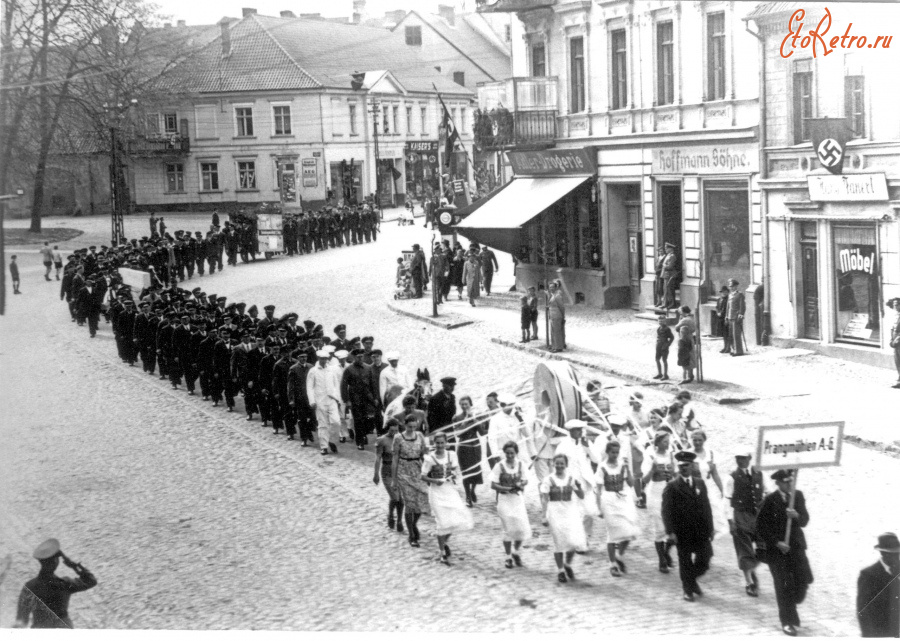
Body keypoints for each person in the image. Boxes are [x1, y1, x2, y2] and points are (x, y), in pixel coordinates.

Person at [755, 469, 813, 636]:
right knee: (783, 586)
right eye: (786, 482)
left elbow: (805, 520)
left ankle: (792, 604)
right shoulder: (770, 500)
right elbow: (760, 527)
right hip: (777, 553)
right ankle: (787, 622)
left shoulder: (798, 496)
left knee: (803, 582)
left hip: (796, 548)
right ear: (778, 483)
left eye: (791, 481)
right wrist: (776, 542)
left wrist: (796, 515)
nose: (790, 484)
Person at [662, 450, 714, 602]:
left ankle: (690, 580)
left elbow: (706, 506)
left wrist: (710, 528)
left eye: (686, 465)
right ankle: (688, 590)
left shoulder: (700, 483)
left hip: (700, 531)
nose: (683, 468)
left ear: (692, 466)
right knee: (685, 561)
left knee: (705, 559)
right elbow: (666, 510)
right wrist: (670, 532)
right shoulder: (672, 486)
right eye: (681, 466)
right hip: (682, 531)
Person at [14, 539, 97, 629]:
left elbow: (21, 620)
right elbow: (91, 580)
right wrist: (73, 565)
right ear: (55, 561)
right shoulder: (65, 584)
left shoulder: (29, 587)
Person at [421, 431, 473, 565]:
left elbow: (457, 470)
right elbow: (423, 476)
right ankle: (442, 553)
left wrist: (455, 474)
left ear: (446, 443)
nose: (439, 445)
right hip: (436, 492)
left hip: (449, 491)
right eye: (437, 443)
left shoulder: (452, 454)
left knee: (456, 519)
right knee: (442, 522)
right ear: (434, 443)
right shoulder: (430, 458)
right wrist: (434, 480)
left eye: (442, 443)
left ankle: (443, 542)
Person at [724, 450, 765, 597]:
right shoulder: (732, 478)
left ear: (750, 458)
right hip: (741, 516)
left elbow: (766, 492)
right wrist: (730, 521)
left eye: (743, 458)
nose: (740, 461)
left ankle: (751, 568)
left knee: (764, 549)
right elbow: (727, 500)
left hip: (758, 517)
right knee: (745, 550)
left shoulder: (758, 473)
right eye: (738, 458)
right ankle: (749, 582)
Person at [540, 453, 587, 583]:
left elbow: (582, 495)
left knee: (573, 542)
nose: (559, 465)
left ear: (566, 465)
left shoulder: (571, 479)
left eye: (562, 463)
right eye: (557, 463)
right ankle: (560, 570)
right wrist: (544, 516)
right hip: (555, 512)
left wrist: (579, 486)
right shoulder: (548, 480)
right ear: (553, 464)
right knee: (559, 542)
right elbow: (544, 499)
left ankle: (567, 564)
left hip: (570, 511)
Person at [597, 440, 640, 578]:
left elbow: (631, 483)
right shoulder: (602, 467)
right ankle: (612, 564)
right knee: (612, 534)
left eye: (617, 452)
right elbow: (598, 490)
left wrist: (628, 469)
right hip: (608, 500)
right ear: (607, 452)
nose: (615, 455)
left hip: (623, 499)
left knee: (630, 530)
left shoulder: (622, 465)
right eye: (612, 452)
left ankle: (619, 555)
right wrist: (599, 508)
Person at [490, 440, 532, 568]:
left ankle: (516, 551)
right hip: (504, 500)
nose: (509, 456)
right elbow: (493, 484)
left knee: (521, 528)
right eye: (507, 453)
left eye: (512, 453)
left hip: (517, 500)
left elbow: (526, 479)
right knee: (508, 529)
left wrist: (521, 484)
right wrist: (507, 489)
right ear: (504, 453)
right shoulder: (499, 466)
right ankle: (508, 557)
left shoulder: (521, 464)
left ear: (516, 453)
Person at [392, 414, 430, 547]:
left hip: (417, 470)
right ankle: (411, 535)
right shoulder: (398, 438)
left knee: (421, 501)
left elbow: (424, 454)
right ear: (405, 424)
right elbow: (395, 458)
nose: (412, 429)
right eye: (409, 427)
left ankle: (413, 524)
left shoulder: (420, 435)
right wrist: (394, 479)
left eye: (414, 426)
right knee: (409, 503)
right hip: (403, 472)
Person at [642, 431, 676, 573]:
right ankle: (661, 560)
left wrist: (674, 472)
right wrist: (652, 470)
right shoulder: (651, 457)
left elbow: (676, 475)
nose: (667, 444)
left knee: (673, 529)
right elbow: (644, 480)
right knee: (660, 529)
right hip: (655, 494)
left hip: (669, 493)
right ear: (657, 443)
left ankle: (666, 552)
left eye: (668, 441)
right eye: (664, 441)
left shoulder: (671, 456)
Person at [857, 532, 900, 637]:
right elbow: (863, 611)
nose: (896, 557)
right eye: (891, 553)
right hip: (880, 632)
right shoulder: (868, 575)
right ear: (882, 553)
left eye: (897, 553)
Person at [689, 431, 727, 539]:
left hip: (708, 486)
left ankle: (709, 534)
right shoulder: (689, 454)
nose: (697, 442)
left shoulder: (710, 453)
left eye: (700, 440)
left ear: (704, 440)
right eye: (694, 440)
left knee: (714, 509)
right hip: (694, 486)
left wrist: (722, 490)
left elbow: (715, 473)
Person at [453, 395, 486, 507]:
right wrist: (465, 423)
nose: (464, 406)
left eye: (466, 404)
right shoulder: (456, 418)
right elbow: (457, 434)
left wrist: (475, 420)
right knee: (466, 471)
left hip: (475, 446)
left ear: (470, 404)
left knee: (476, 470)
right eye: (462, 404)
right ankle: (467, 496)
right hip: (463, 446)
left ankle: (473, 490)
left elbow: (482, 433)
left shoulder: (477, 415)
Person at [307, 349, 341, 455]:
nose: (323, 361)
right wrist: (312, 401)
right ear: (318, 358)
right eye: (321, 359)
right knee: (322, 424)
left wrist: (338, 398)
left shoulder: (331, 370)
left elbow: (336, 385)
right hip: (320, 401)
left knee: (336, 422)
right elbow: (309, 387)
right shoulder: (313, 371)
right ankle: (324, 446)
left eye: (325, 359)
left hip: (331, 399)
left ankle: (331, 440)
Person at [373, 418, 404, 533]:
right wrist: (376, 474)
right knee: (395, 497)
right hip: (387, 471)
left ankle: (399, 520)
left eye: (396, 430)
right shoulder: (382, 440)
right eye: (392, 430)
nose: (394, 433)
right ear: (388, 429)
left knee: (400, 499)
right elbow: (378, 458)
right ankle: (391, 515)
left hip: (399, 471)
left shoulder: (401, 439)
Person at [726, 278, 746, 356]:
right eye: (730, 286)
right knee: (731, 335)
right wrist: (726, 316)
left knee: (736, 334)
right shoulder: (730, 295)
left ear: (736, 286)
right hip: (730, 316)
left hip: (736, 317)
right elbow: (728, 307)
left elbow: (742, 306)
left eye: (733, 286)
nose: (731, 288)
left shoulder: (739, 294)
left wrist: (740, 316)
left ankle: (738, 351)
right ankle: (733, 349)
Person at [652, 315, 674, 380]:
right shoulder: (658, 328)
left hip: (664, 345)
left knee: (664, 360)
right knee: (657, 359)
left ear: (665, 321)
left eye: (662, 321)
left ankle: (665, 375)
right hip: (658, 345)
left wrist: (667, 345)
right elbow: (658, 337)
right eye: (659, 321)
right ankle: (659, 374)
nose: (660, 322)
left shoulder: (667, 329)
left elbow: (672, 337)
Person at [548, 279, 565, 352]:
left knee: (557, 331)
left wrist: (562, 316)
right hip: (552, 316)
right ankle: (554, 346)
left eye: (552, 287)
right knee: (553, 331)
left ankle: (558, 347)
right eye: (550, 287)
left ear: (555, 288)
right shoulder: (553, 295)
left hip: (557, 315)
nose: (551, 288)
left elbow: (561, 307)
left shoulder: (557, 296)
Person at [661, 242, 679, 309]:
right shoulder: (668, 255)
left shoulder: (672, 256)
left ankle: (672, 304)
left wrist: (664, 265)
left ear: (670, 249)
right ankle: (665, 303)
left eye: (666, 248)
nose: (665, 249)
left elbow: (670, 266)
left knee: (670, 290)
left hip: (670, 275)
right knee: (665, 289)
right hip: (666, 275)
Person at [888, 298, 900, 389]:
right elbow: (892, 328)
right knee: (897, 360)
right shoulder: (895, 315)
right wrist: (891, 339)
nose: (895, 307)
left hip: (899, 339)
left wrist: (897, 339)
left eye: (897, 304)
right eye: (894, 305)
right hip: (895, 339)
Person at [716, 285, 731, 352]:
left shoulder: (728, 300)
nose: (724, 293)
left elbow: (728, 309)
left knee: (727, 333)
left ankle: (728, 347)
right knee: (723, 334)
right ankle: (725, 347)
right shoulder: (719, 299)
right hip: (720, 319)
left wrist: (726, 318)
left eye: (725, 292)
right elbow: (717, 307)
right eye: (722, 292)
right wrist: (718, 312)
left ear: (728, 292)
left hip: (726, 318)